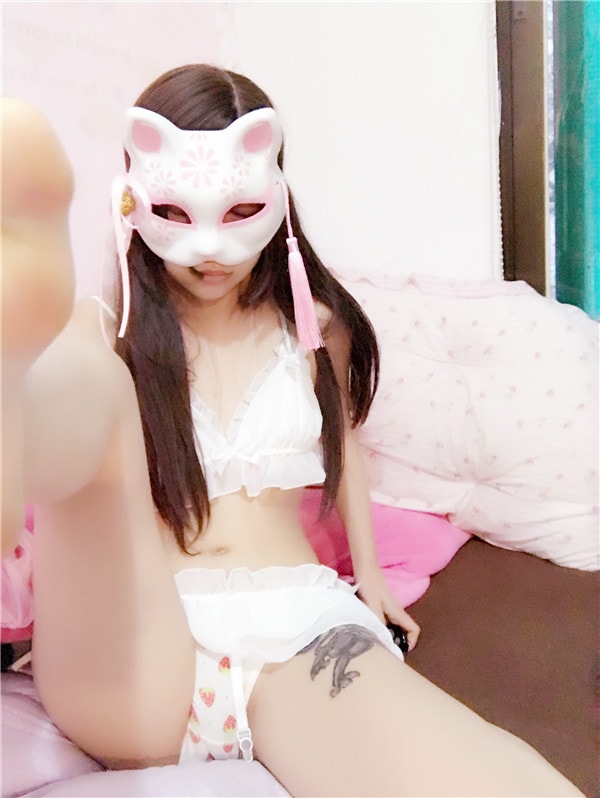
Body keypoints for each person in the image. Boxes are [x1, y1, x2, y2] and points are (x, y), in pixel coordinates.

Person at [1, 66, 583, 797]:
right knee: (92, 382)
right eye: (174, 212)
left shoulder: (316, 330)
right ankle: (22, 413)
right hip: (140, 629)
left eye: (239, 210)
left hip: (294, 629)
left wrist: (369, 576)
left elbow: (345, 448)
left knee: (499, 778)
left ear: (276, 193)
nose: (208, 250)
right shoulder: (111, 329)